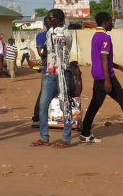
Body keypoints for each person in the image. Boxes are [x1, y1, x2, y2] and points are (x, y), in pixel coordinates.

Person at [31, 9, 74, 148]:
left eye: (50, 18)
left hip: (62, 73)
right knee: (43, 106)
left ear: (58, 19)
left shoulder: (65, 32)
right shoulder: (49, 33)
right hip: (50, 74)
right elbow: (48, 54)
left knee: (64, 105)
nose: (48, 21)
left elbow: (59, 48)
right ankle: (44, 137)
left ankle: (66, 138)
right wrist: (38, 62)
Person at [80, 12, 123, 143]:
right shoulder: (104, 37)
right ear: (106, 22)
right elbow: (104, 58)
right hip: (106, 77)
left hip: (99, 75)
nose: (112, 23)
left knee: (94, 105)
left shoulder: (96, 36)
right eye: (111, 21)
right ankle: (85, 133)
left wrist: (119, 67)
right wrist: (108, 81)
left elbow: (104, 59)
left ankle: (85, 133)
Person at [31, 17, 51, 127]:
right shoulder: (41, 36)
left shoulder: (61, 34)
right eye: (48, 22)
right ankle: (36, 117)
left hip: (60, 68)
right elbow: (40, 53)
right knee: (44, 93)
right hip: (47, 69)